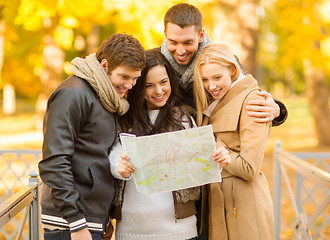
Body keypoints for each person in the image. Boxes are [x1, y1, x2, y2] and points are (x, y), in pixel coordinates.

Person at [108, 49, 231, 240]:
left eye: (163, 82)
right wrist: (118, 166)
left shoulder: (182, 118)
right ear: (138, 86)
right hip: (132, 228)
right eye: (149, 85)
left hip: (179, 229)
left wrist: (218, 160)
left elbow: (200, 161)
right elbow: (115, 152)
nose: (159, 91)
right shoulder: (124, 120)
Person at [38, 33, 146, 240]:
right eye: (124, 77)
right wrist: (77, 224)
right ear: (104, 65)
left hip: (91, 220)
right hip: (71, 224)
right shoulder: (74, 94)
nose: (130, 85)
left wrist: (104, 219)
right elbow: (54, 161)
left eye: (135, 79)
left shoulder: (104, 96)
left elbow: (95, 157)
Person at [194, 43, 274, 239]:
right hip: (221, 201)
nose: (211, 85)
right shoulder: (214, 101)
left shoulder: (252, 101)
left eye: (217, 77)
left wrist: (216, 147)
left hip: (245, 204)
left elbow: (249, 168)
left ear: (232, 70)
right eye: (204, 79)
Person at [160, 3, 287, 126]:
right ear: (165, 34)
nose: (180, 51)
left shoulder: (220, 61)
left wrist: (277, 110)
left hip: (218, 141)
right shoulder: (157, 63)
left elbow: (247, 94)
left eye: (188, 43)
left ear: (201, 36)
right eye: (173, 42)